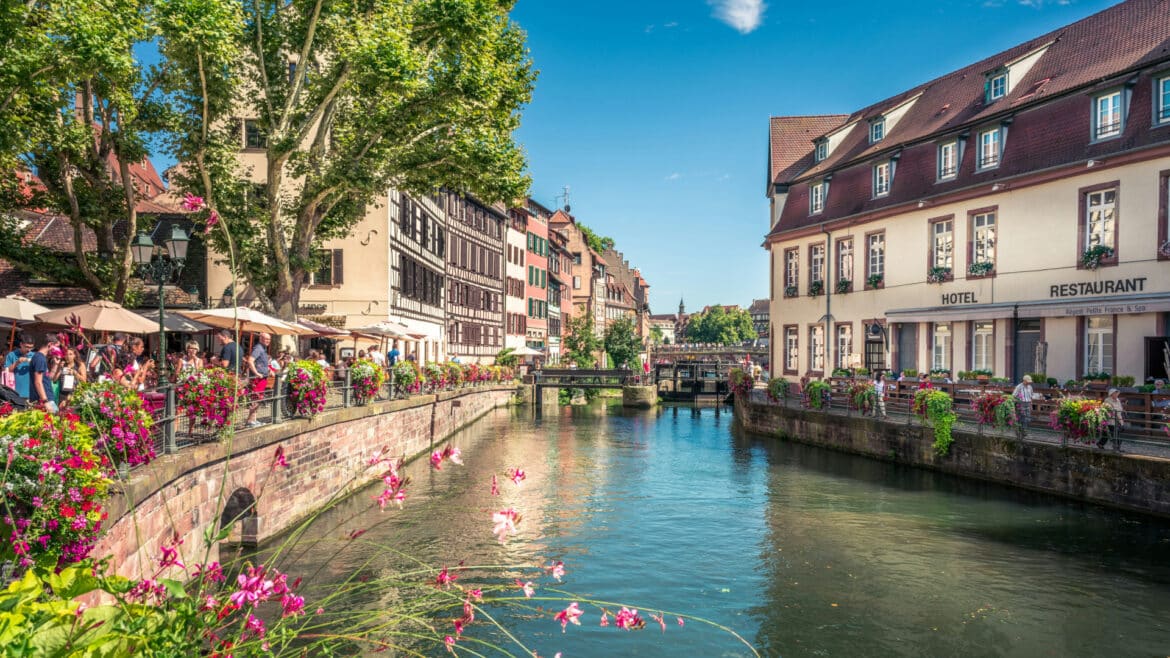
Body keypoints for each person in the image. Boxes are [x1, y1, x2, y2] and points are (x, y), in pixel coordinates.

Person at [245, 332, 272, 427]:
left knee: (258, 399)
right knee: (255, 398)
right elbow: (250, 360)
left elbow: (262, 363)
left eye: (269, 339)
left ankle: (253, 420)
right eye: (266, 339)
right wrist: (256, 373)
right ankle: (250, 421)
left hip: (263, 377)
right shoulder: (258, 348)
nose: (268, 341)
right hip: (258, 379)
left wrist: (269, 370)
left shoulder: (263, 349)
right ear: (261, 338)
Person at [29, 333, 59, 412]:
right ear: (50, 344)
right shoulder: (39, 358)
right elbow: (38, 382)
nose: (57, 350)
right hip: (44, 400)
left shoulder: (41, 358)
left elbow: (47, 379)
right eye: (56, 347)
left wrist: (55, 365)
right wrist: (45, 401)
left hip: (46, 398)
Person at [4, 333, 35, 399]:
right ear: (21, 344)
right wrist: (17, 362)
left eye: (31, 347)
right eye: (27, 347)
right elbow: (6, 371)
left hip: (31, 393)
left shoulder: (35, 356)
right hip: (14, 392)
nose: (29, 350)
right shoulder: (12, 355)